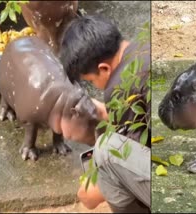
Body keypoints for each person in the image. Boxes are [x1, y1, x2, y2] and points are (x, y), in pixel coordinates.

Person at [59, 14, 151, 213]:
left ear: (104, 68)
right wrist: (107, 112)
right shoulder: (144, 50)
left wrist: (96, 189)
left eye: (91, 81)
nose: (95, 86)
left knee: (106, 151)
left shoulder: (118, 87)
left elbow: (129, 152)